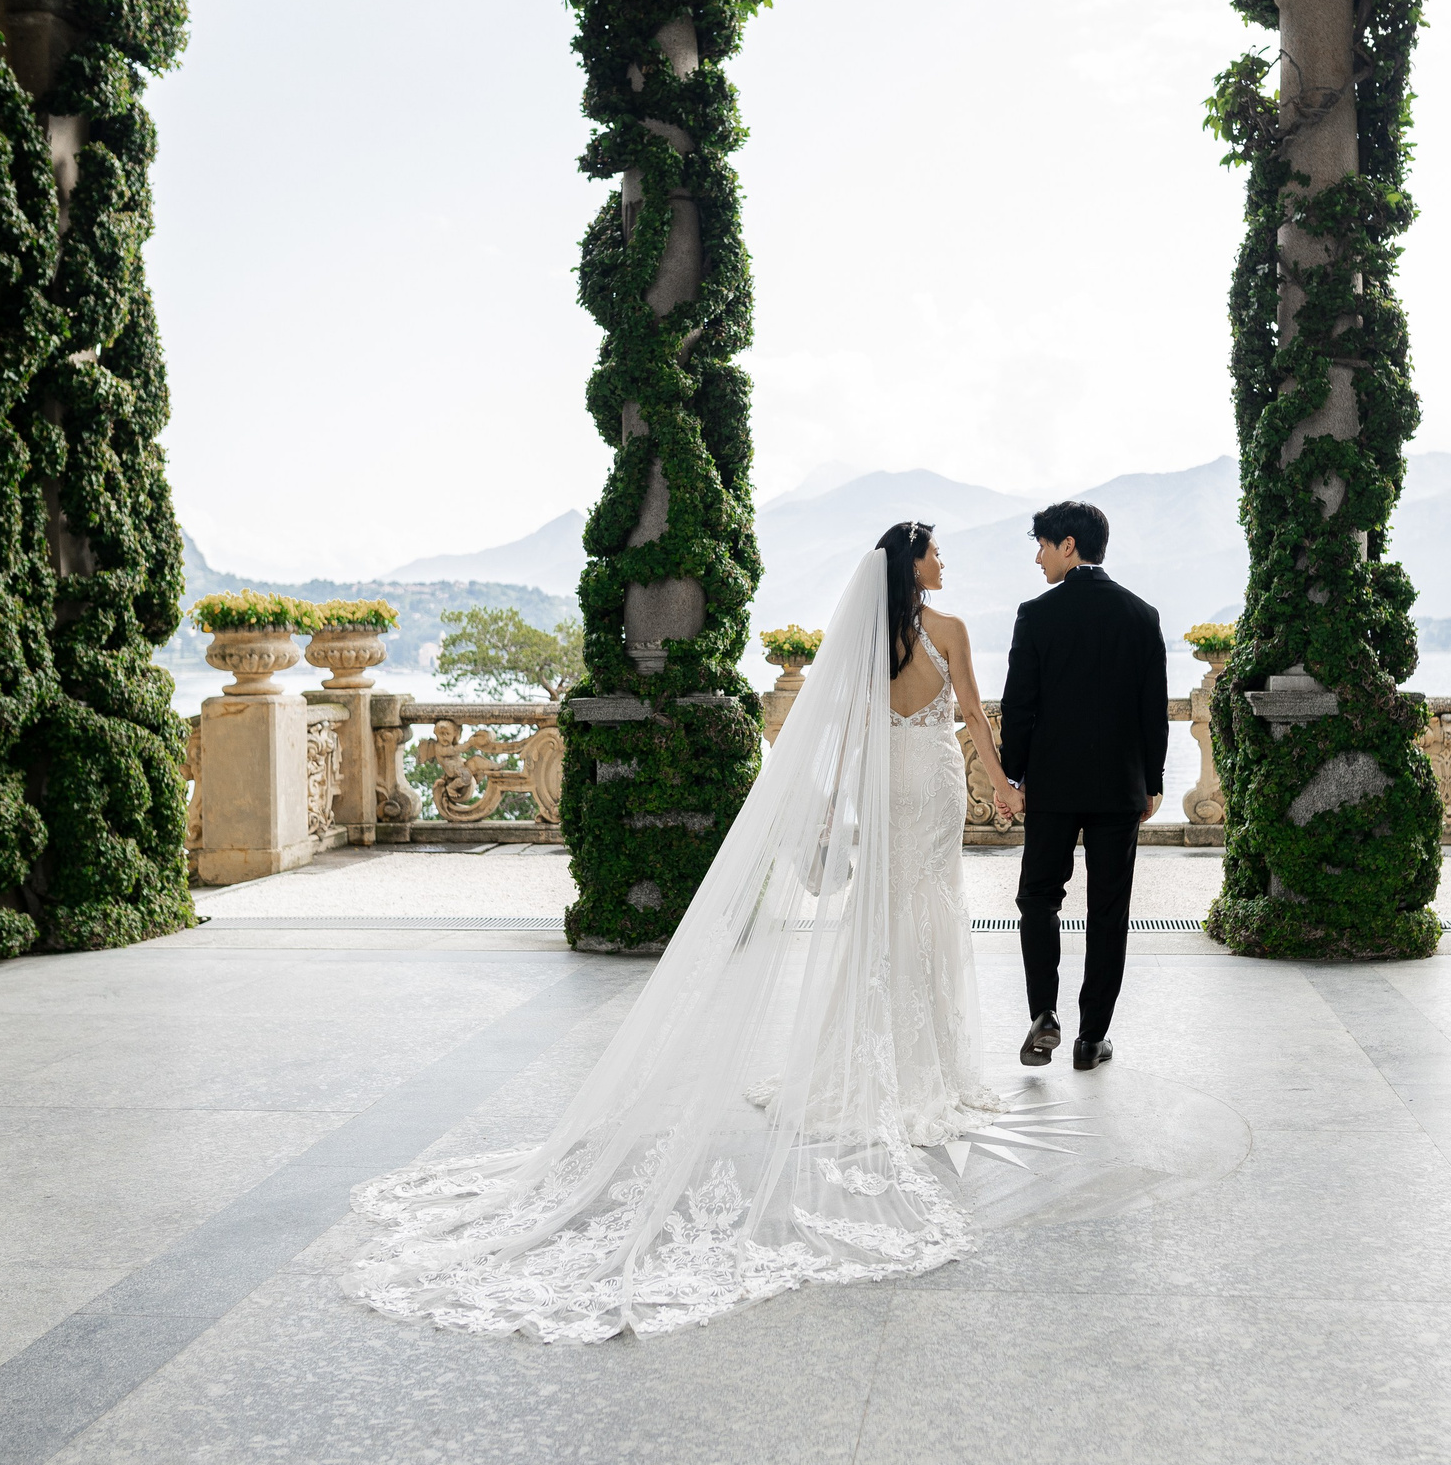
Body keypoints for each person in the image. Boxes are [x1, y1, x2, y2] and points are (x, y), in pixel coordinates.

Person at [341, 523, 1013, 1342]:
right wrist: (1005, 784)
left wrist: (832, 814)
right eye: (935, 551)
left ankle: (863, 1060)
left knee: (882, 914)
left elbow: (844, 737)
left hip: (888, 784)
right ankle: (930, 1066)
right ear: (913, 564)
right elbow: (973, 711)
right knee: (931, 905)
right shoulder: (951, 633)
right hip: (936, 777)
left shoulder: (871, 640)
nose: (944, 561)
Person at [998, 500, 1168, 1073]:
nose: (1037, 556)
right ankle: (1091, 1039)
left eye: (1042, 544)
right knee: (1109, 910)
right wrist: (1154, 782)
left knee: (1038, 898)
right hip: (1120, 787)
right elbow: (1154, 712)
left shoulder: (1036, 615)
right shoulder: (1142, 617)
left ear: (1068, 544)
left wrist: (1012, 775)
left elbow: (1020, 706)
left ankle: (1043, 1013)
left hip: (1052, 786)